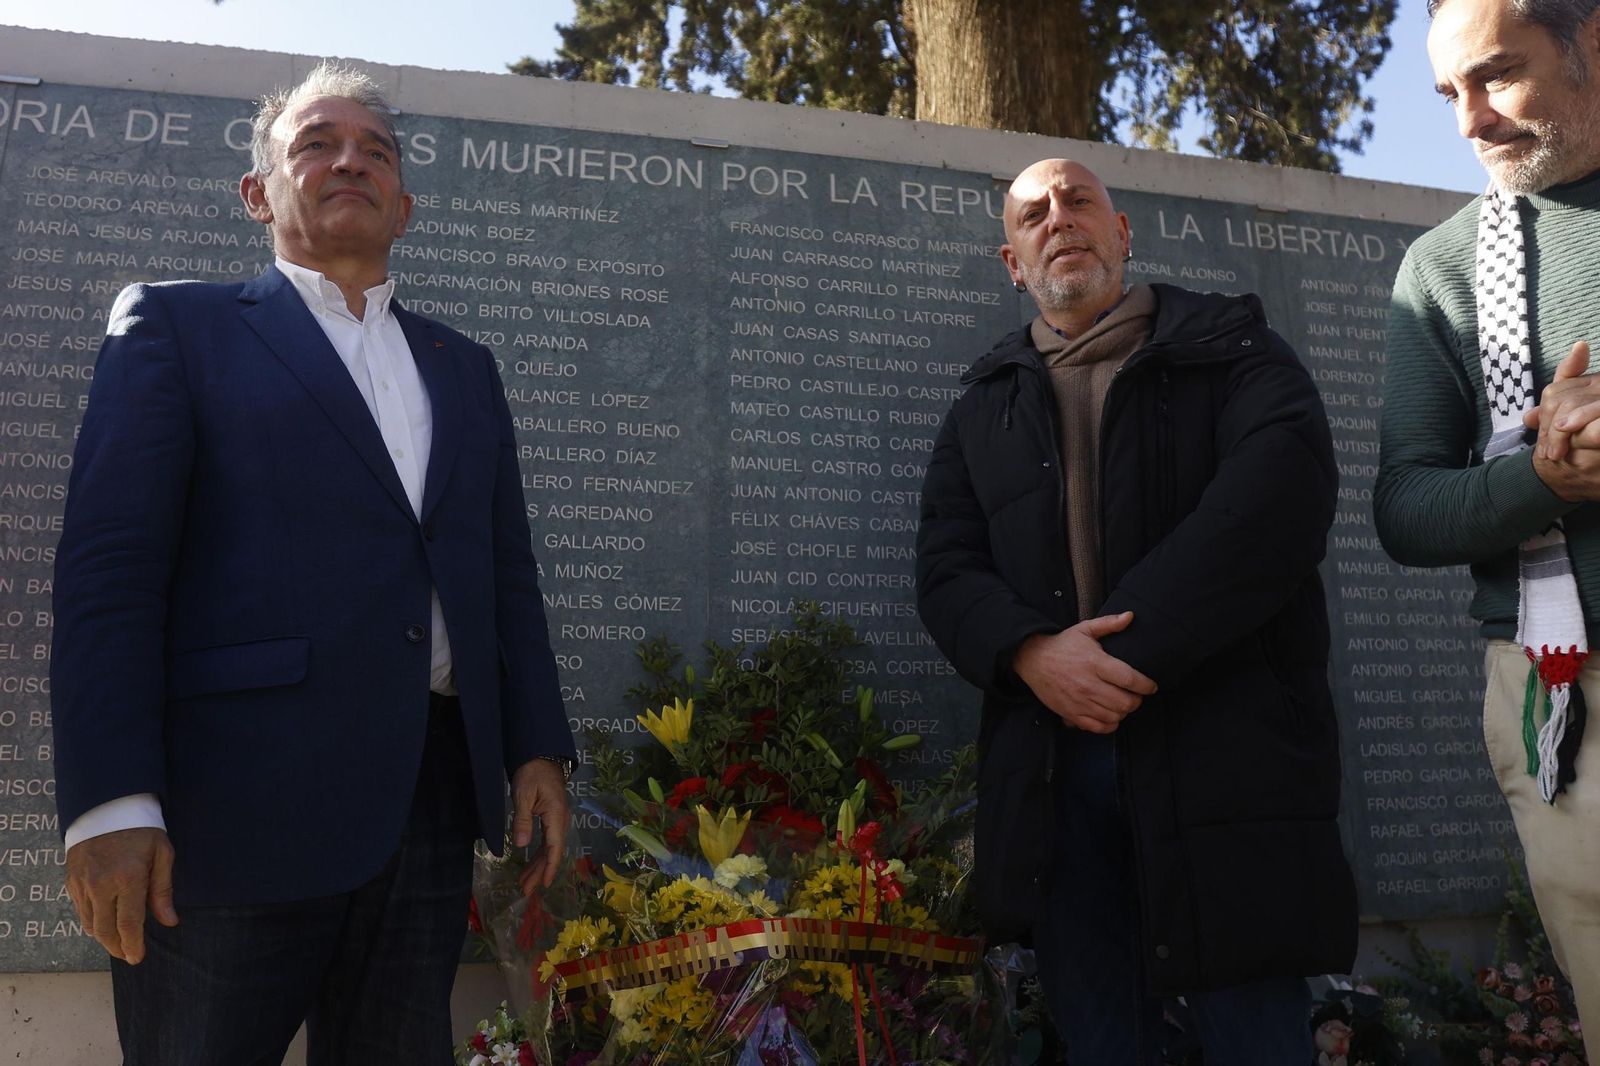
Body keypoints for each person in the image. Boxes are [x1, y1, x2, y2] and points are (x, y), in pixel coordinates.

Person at [50, 62, 576, 1063]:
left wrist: (533, 745)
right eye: (316, 143)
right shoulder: (176, 329)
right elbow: (111, 574)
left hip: (424, 806)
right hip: (230, 817)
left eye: (375, 150)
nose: (349, 160)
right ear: (259, 193)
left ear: (404, 205)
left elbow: (503, 573)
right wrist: (111, 801)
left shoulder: (463, 367)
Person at [915, 157, 1355, 1065]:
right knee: (1102, 1035)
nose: (1059, 218)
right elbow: (947, 573)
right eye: (1034, 213)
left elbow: (1277, 502)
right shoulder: (980, 408)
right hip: (1054, 774)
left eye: (1080, 200)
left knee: (1254, 1034)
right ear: (1012, 261)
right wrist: (1036, 655)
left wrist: (1115, 658)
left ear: (1121, 234)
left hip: (1225, 760)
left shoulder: (1235, 351)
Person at [1374, 0, 1600, 1042]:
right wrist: (1544, 480)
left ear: (1588, 40)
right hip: (1563, 696)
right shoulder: (1444, 268)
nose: (1467, 119)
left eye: (1496, 75)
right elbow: (1407, 507)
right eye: (1447, 92)